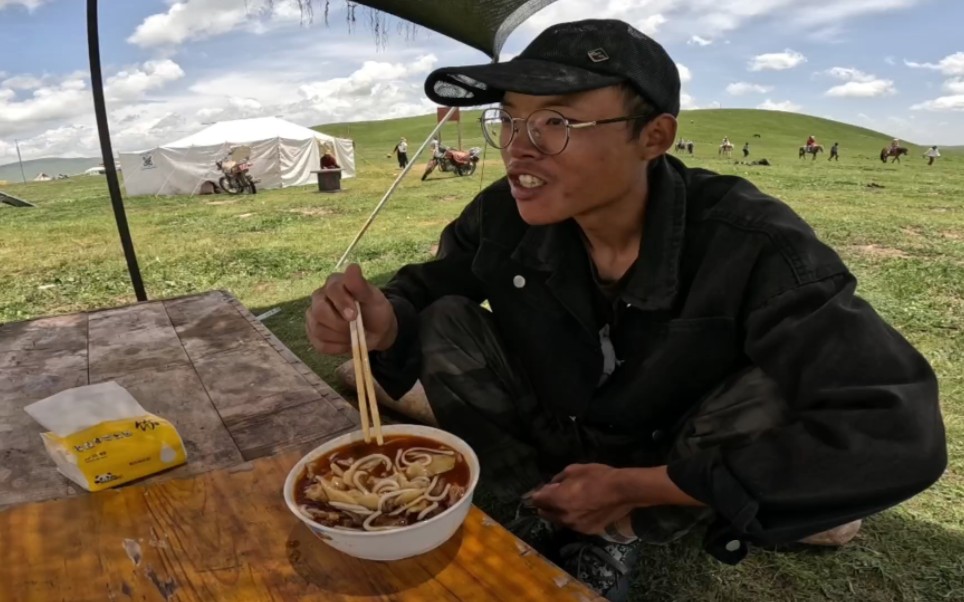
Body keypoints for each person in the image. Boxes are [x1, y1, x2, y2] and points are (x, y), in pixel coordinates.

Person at [306, 19, 946, 600]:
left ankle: (613, 532)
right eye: (508, 119)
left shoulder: (750, 240)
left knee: (774, 388)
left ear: (655, 136)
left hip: (667, 449)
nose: (518, 148)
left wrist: (649, 487)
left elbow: (897, 426)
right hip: (548, 420)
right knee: (446, 316)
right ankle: (534, 505)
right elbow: (428, 286)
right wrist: (383, 319)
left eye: (557, 122)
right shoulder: (503, 212)